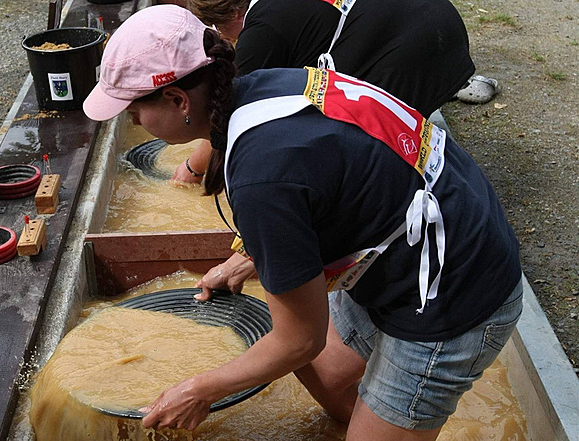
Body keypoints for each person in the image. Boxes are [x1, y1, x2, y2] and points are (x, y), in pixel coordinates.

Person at [83, 6, 523, 440]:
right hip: (431, 228)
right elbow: (332, 188)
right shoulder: (267, 84)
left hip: (456, 285)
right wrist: (250, 258)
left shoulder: (260, 177)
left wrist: (199, 389)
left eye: (133, 112)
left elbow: (298, 340)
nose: (135, 121)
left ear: (178, 100)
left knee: (298, 352)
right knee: (324, 374)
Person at [173, 0, 475, 183]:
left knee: (368, 153)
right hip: (438, 22)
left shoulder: (261, 28)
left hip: (418, 49)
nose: (224, 38)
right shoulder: (274, 11)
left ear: (232, 12)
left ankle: (435, 196)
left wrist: (191, 169)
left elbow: (229, 114)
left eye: (219, 29)